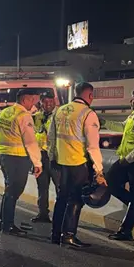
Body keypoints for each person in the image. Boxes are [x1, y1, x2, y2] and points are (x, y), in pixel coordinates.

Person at [48, 82, 105, 248]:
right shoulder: (88, 114)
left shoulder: (59, 110)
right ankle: (69, 236)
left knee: (61, 198)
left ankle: (55, 234)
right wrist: (99, 170)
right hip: (78, 162)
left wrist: (53, 158)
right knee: (75, 200)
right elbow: (92, 146)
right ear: (90, 96)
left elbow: (51, 138)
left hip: (60, 163)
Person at [0, 89, 43, 236]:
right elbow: (30, 141)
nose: (34, 103)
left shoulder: (5, 112)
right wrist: (37, 163)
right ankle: (8, 225)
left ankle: (4, 222)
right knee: (14, 192)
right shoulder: (24, 116)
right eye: (32, 100)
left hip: (4, 156)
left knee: (9, 191)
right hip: (17, 158)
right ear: (25, 100)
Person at [31, 92, 58, 223]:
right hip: (40, 157)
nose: (49, 105)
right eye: (46, 102)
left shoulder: (59, 117)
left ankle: (61, 215)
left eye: (51, 102)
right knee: (42, 187)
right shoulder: (35, 117)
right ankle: (43, 213)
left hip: (55, 157)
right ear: (41, 102)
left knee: (60, 187)